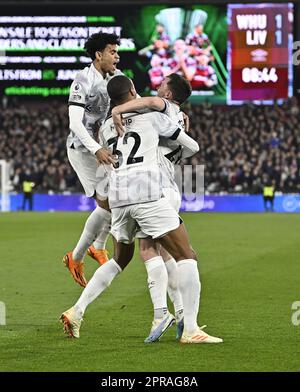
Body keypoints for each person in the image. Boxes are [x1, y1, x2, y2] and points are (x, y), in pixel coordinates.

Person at [60, 75, 223, 345]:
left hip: (118, 198)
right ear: (134, 91)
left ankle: (77, 311)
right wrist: (178, 134)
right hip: (147, 192)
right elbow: (188, 144)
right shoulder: (154, 117)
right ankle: (190, 327)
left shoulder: (104, 129)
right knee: (186, 255)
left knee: (119, 260)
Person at [111, 73, 192, 341]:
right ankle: (181, 314)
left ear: (168, 95)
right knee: (167, 255)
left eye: (161, 86)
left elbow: (152, 103)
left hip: (157, 188)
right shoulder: (177, 117)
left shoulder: (162, 107)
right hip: (169, 187)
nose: (157, 89)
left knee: (148, 250)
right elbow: (183, 143)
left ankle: (163, 314)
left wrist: (119, 108)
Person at [63, 32, 122, 287]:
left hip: (103, 147)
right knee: (110, 202)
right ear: (99, 55)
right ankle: (78, 256)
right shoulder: (82, 81)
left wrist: (170, 109)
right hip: (82, 149)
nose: (117, 57)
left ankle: (93, 248)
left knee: (116, 199)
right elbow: (74, 123)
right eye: (112, 52)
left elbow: (138, 101)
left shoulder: (116, 78)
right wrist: (96, 148)